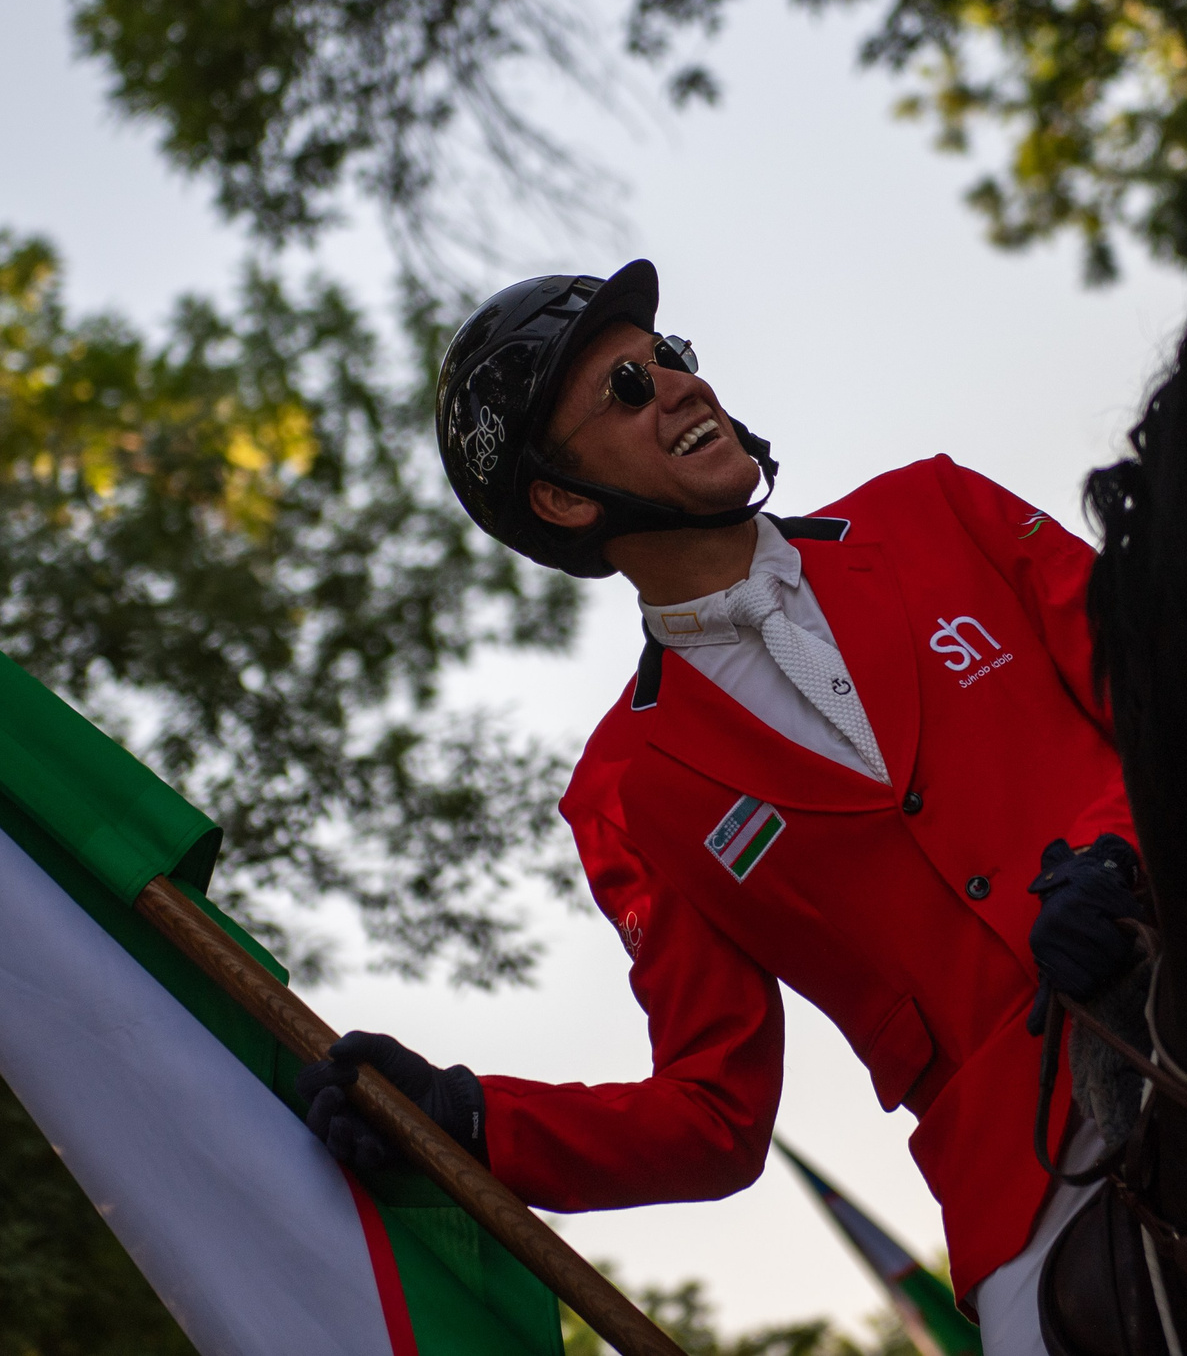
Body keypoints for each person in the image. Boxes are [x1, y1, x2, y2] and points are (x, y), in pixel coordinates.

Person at [297, 262, 1142, 1353]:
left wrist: (1119, 853)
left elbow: (1175, 696)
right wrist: (469, 1119)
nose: (682, 387)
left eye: (673, 359)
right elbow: (715, 1117)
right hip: (1030, 1172)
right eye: (628, 390)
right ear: (563, 497)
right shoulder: (626, 793)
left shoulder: (937, 508)